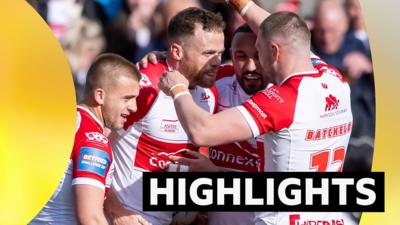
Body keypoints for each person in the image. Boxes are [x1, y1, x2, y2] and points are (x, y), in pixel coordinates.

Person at [159, 1, 353, 225]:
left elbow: (201, 131)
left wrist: (177, 87)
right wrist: (241, 4)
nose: (253, 65)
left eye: (259, 52)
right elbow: (284, 33)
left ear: (273, 52)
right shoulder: (334, 79)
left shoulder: (282, 101)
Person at [104, 7, 225, 225]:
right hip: (127, 216)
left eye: (220, 53)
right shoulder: (144, 85)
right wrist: (112, 206)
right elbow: (91, 142)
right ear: (177, 52)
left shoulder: (210, 92)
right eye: (208, 53)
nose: (216, 62)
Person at [29, 53, 144, 225]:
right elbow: (91, 219)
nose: (134, 107)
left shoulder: (58, 122)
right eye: (127, 98)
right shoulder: (94, 140)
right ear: (100, 96)